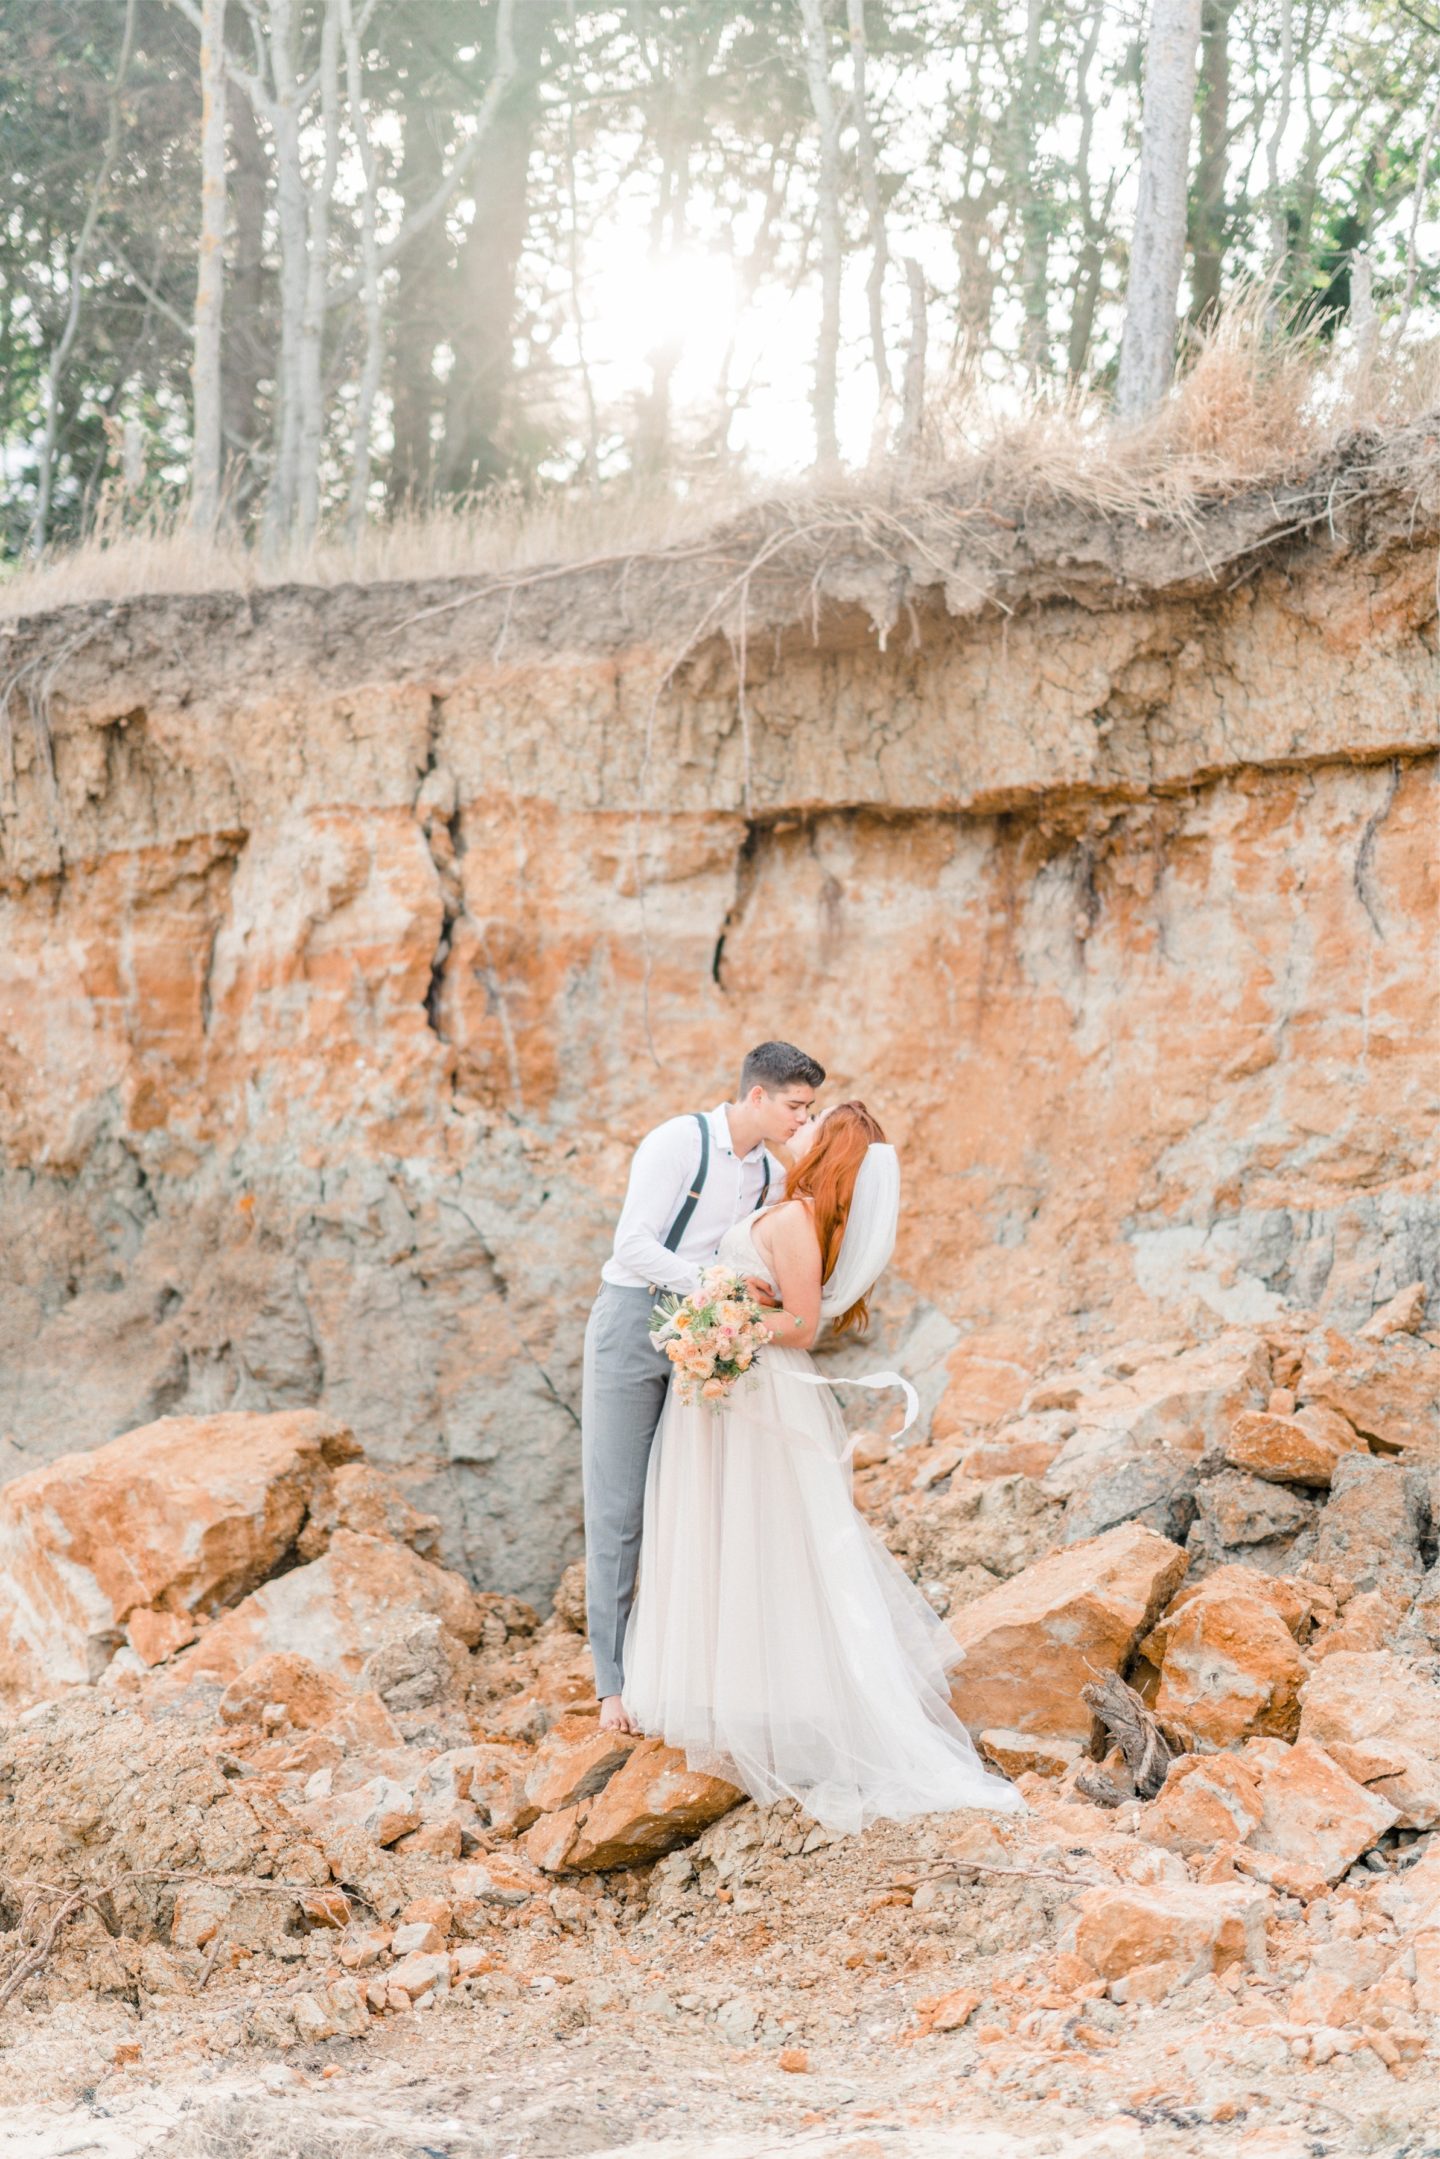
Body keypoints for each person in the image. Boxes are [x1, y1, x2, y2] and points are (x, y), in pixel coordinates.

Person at [622, 1101, 1025, 1833]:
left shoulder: (799, 1219)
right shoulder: (790, 1207)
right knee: (724, 1526)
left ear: (829, 1147)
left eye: (814, 1121)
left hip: (755, 1385)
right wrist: (718, 1308)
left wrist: (720, 1320)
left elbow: (804, 1326)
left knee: (763, 1532)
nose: (798, 1125)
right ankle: (729, 1689)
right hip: (729, 1382)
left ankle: (774, 1704)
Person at [582, 1040, 826, 1734]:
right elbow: (632, 1243)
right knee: (619, 1502)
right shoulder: (677, 1142)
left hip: (710, 1331)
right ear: (757, 1096)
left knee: (683, 1496)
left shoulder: (766, 1176)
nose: (800, 1120)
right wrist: (712, 1287)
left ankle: (676, 1669)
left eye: (808, 1110)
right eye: (794, 1106)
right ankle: (612, 1686)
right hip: (634, 1321)